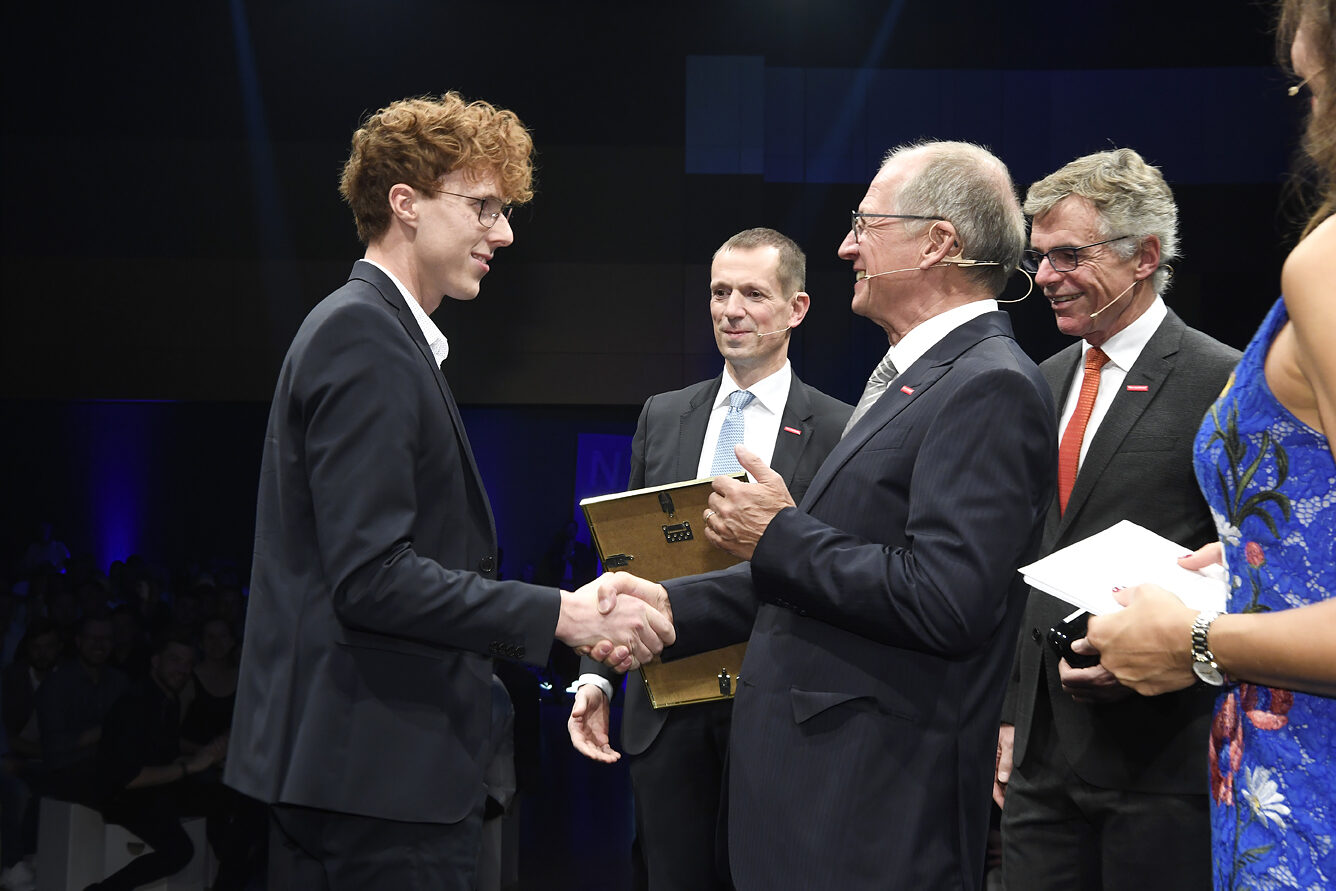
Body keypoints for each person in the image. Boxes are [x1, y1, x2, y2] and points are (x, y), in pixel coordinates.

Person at [224, 92, 674, 891]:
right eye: (483, 207)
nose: (502, 233)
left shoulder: (379, 335)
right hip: (372, 783)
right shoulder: (362, 335)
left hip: (376, 775)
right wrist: (562, 614)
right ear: (405, 203)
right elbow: (371, 577)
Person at [602, 140, 1057, 889]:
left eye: (866, 223)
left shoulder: (990, 385)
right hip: (825, 802)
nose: (847, 245)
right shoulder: (922, 377)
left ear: (937, 242)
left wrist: (777, 531)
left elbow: (945, 598)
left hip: (869, 809)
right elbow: (818, 574)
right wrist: (664, 602)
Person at [1086, 2, 1336, 887]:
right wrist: (1256, 558)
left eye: (1310, 85)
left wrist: (1199, 639)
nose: (1310, 122)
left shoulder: (1328, 265)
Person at [567, 227, 852, 890]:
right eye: (720, 292)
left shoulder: (842, 427)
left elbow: (840, 564)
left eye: (753, 293)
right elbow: (621, 555)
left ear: (797, 309)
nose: (731, 309)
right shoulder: (663, 416)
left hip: (779, 709)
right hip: (666, 709)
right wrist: (597, 677)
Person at [995, 149, 1241, 890]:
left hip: (1162, 761)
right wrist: (1011, 716)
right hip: (1039, 766)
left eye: (1069, 255)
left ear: (1146, 257)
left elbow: (1254, 560)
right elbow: (1024, 554)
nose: (1044, 278)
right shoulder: (1039, 382)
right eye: (1039, 258)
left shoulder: (1223, 381)